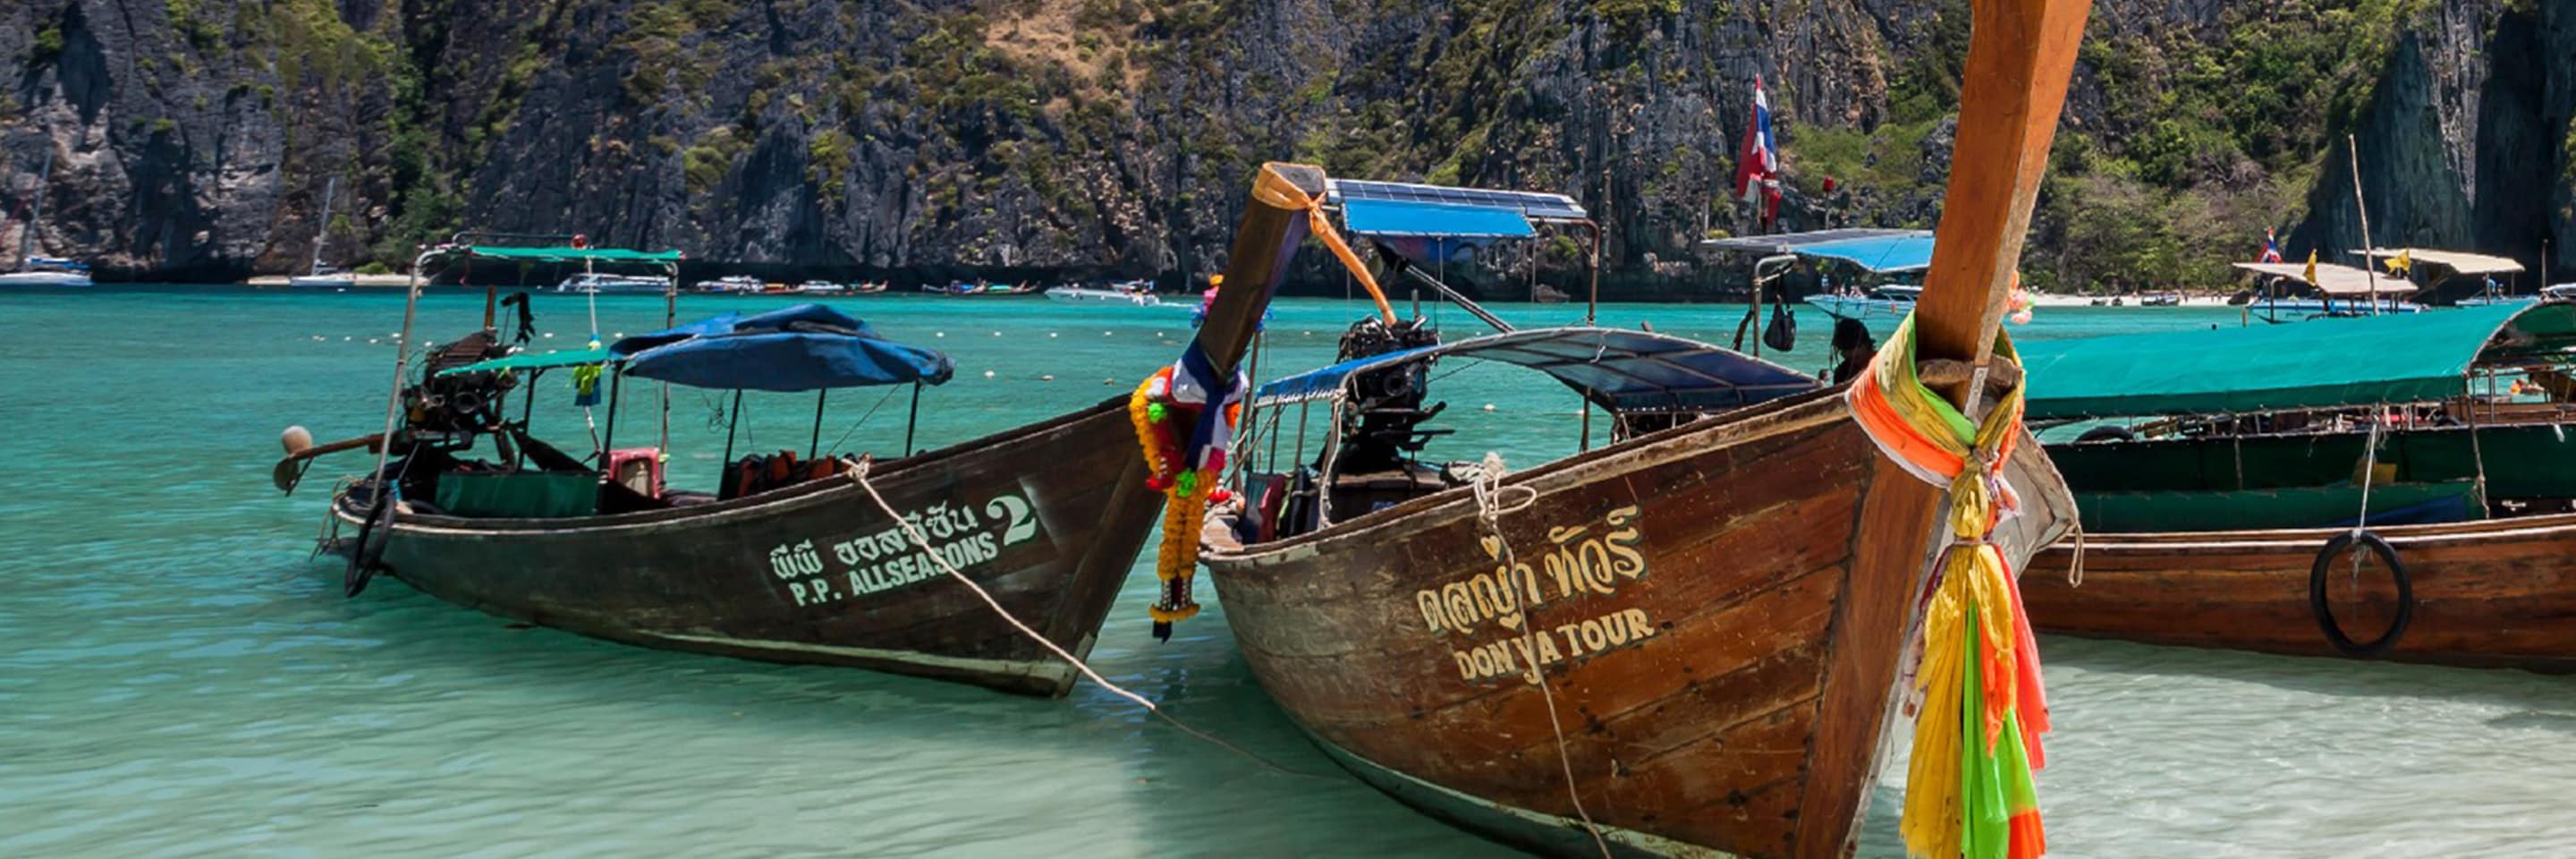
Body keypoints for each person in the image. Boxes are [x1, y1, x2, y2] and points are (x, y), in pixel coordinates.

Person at [1828, 318, 1876, 385]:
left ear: (1866, 344)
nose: (1845, 354)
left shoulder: (1883, 364)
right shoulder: (1842, 372)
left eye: (1850, 348)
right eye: (1842, 349)